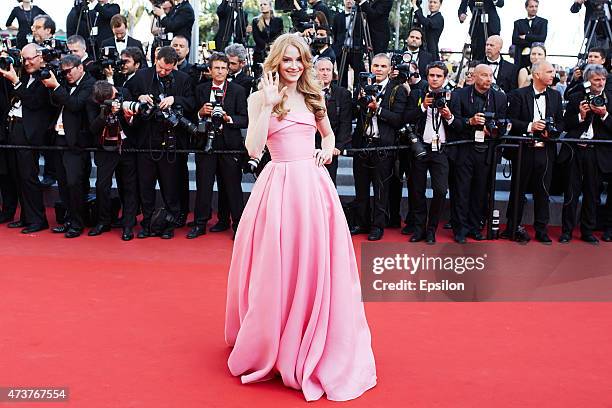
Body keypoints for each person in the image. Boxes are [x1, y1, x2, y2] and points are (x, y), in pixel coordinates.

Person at [225, 33, 376, 401]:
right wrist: (269, 105)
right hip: (277, 185)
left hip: (312, 187)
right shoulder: (258, 97)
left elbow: (328, 135)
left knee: (312, 262)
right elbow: (253, 147)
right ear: (275, 61)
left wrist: (326, 151)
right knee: (277, 265)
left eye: (299, 60)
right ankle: (272, 336)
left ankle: (310, 330)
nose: (293, 66)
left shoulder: (314, 95)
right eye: (287, 59)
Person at [124, 46, 195, 239]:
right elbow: (125, 96)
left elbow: (192, 102)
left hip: (170, 141)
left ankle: (168, 225)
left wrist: (175, 99)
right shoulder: (141, 76)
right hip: (146, 139)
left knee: (170, 187)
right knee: (145, 186)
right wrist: (139, 98)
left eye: (168, 70)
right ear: (156, 59)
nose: (163, 72)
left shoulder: (183, 79)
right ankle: (147, 224)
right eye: (161, 68)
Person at [188, 52, 247, 239]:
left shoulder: (238, 90)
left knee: (231, 186)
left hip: (230, 144)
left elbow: (245, 119)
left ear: (228, 70)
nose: (220, 71)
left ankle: (234, 223)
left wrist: (228, 118)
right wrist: (200, 112)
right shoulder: (200, 89)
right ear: (210, 70)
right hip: (205, 143)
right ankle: (200, 224)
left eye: (223, 68)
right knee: (203, 185)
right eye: (217, 68)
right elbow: (191, 118)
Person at [504, 60, 564, 244]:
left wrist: (552, 132)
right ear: (537, 74)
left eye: (553, 71)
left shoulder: (555, 96)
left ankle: (541, 229)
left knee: (543, 191)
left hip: (545, 150)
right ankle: (513, 227)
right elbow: (511, 119)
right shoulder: (518, 95)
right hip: (524, 149)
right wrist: (530, 126)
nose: (553, 75)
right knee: (518, 189)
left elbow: (561, 122)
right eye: (549, 71)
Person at [351, 53, 408, 241]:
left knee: (381, 188)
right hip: (363, 144)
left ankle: (378, 226)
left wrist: (379, 110)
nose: (378, 69)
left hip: (383, 147)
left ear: (390, 69)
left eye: (383, 66)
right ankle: (361, 223)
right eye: (376, 65)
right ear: (370, 66)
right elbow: (354, 113)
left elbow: (398, 119)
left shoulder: (397, 89)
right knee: (361, 188)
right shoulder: (361, 86)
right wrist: (359, 102)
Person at [448, 64, 507, 243]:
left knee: (480, 192)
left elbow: (504, 123)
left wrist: (495, 130)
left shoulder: (499, 97)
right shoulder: (460, 95)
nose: (488, 79)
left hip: (487, 151)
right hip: (465, 151)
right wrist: (470, 121)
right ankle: (460, 229)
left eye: (490, 76)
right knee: (461, 192)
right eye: (484, 75)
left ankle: (475, 227)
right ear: (474, 76)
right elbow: (454, 123)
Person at [0, 43, 56, 233]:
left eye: (30, 58)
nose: (26, 62)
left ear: (40, 57)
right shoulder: (26, 75)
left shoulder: (45, 76)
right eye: (24, 59)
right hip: (15, 129)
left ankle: (38, 219)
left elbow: (33, 102)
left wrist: (16, 82)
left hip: (29, 132)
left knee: (28, 177)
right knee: (18, 176)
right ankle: (26, 217)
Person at [42, 54, 97, 238]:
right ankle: (68, 220)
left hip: (76, 141)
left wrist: (56, 86)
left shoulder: (90, 83)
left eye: (69, 71)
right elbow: (55, 101)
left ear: (80, 67)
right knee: (64, 183)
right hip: (59, 138)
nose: (66, 75)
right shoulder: (65, 82)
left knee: (75, 183)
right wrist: (54, 86)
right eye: (63, 72)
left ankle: (77, 223)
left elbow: (75, 105)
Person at [558, 64, 612, 245]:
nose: (601, 83)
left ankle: (587, 231)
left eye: (603, 79)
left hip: (596, 153)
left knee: (591, 193)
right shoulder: (576, 98)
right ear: (588, 81)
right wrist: (581, 116)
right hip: (575, 150)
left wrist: (604, 115)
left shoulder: (610, 100)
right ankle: (566, 231)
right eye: (597, 79)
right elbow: (564, 125)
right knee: (571, 193)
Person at [405, 61, 456, 244]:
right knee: (416, 190)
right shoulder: (418, 93)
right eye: (431, 75)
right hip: (420, 148)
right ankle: (419, 229)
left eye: (438, 76)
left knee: (441, 190)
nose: (434, 79)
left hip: (441, 150)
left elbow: (458, 125)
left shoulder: (452, 96)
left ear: (445, 77)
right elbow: (406, 117)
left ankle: (432, 229)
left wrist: (448, 116)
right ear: (427, 77)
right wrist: (422, 107)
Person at [88, 80, 139, 241]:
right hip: (105, 149)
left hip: (126, 147)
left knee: (129, 186)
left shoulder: (125, 92)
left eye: (114, 95)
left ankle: (128, 224)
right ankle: (103, 221)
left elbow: (134, 123)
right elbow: (93, 128)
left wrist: (126, 116)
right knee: (102, 186)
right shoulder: (93, 101)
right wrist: (105, 113)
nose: (115, 98)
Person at [315, 57, 352, 184]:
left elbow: (345, 122)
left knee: (328, 182)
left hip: (331, 147)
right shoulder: (306, 92)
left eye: (328, 70)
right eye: (321, 70)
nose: (325, 73)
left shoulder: (343, 94)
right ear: (315, 72)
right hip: (310, 145)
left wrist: (338, 146)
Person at [332, 0, 366, 90]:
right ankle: (342, 98)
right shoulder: (337, 17)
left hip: (356, 50)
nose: (349, 1)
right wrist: (336, 49)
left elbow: (363, 33)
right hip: (341, 50)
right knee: (342, 76)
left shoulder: (361, 16)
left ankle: (357, 96)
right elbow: (334, 34)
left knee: (359, 76)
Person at [511, 0, 547, 70]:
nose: (534, 9)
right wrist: (534, 40)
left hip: (537, 58)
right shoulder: (518, 23)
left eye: (536, 6)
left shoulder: (543, 22)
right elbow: (515, 40)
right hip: (521, 58)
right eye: (531, 6)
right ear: (526, 7)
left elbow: (542, 38)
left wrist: (525, 37)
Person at [250, 0, 283, 68]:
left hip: (274, 52)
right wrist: (267, 46)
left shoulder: (278, 20)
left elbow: (280, 36)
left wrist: (273, 46)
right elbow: (256, 38)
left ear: (270, 7)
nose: (262, 6)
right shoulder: (256, 21)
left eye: (265, 4)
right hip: (260, 53)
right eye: (261, 5)